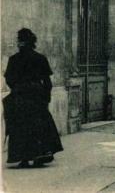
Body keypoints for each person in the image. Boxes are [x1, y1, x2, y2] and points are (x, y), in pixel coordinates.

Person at [3, 28, 63, 168]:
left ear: (20, 42)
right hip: (36, 97)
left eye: (19, 40)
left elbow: (9, 80)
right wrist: (46, 98)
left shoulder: (14, 59)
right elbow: (47, 82)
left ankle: (23, 158)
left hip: (20, 97)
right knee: (39, 127)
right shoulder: (40, 58)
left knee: (20, 128)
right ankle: (39, 156)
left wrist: (18, 89)